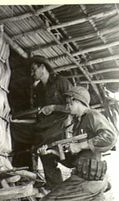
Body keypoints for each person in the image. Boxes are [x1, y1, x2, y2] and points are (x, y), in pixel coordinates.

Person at [38, 86, 117, 201]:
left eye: (69, 103)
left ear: (78, 101)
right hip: (94, 181)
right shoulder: (78, 124)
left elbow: (110, 136)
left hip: (86, 180)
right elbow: (74, 162)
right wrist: (53, 153)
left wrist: (80, 145)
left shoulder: (92, 115)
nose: (67, 106)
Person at [29, 55, 74, 189]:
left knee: (71, 161)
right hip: (45, 130)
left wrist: (54, 107)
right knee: (45, 157)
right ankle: (56, 192)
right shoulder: (38, 89)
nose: (32, 74)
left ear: (43, 67)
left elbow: (72, 107)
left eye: (33, 69)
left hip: (62, 126)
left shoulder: (62, 82)